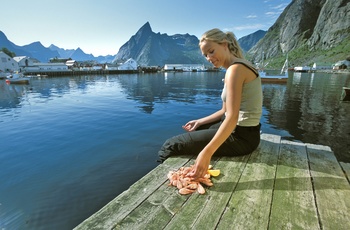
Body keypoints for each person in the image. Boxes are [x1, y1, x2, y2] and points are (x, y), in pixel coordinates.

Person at [158, 28, 263, 180]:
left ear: (225, 44)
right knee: (196, 130)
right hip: (243, 132)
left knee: (170, 145)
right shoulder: (237, 67)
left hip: (241, 137)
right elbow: (224, 111)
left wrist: (206, 153)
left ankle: (165, 181)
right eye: (206, 55)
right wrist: (199, 121)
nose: (208, 57)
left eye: (211, 51)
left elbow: (232, 117)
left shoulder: (235, 70)